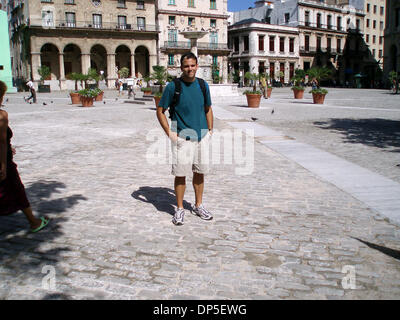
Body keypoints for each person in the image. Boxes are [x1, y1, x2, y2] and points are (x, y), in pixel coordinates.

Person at [156, 52, 213, 226]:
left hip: (202, 136)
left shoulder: (203, 85)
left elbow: (208, 108)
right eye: (186, 66)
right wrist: (169, 133)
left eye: (192, 65)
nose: (190, 69)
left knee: (199, 172)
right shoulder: (174, 86)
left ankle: (198, 205)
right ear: (181, 68)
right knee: (180, 175)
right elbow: (160, 110)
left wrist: (210, 130)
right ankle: (179, 209)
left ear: (197, 66)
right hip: (182, 136)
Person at [0, 81, 49, 232]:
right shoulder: (1, 116)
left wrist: (9, 147)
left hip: (5, 155)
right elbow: (1, 142)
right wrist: (3, 166)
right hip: (4, 162)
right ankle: (34, 222)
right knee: (17, 189)